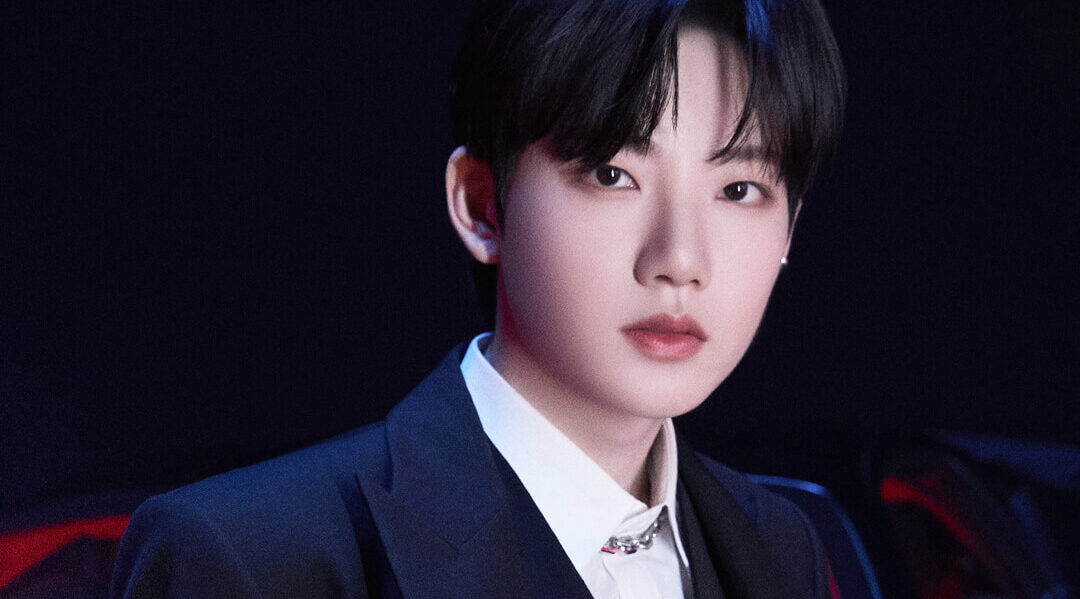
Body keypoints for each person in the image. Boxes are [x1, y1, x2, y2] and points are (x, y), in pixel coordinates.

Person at [110, 0, 845, 597]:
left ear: (790, 227)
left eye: (738, 189)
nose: (680, 260)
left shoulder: (781, 549)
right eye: (611, 174)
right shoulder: (250, 560)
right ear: (481, 205)